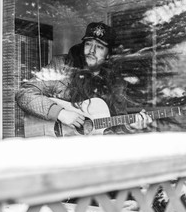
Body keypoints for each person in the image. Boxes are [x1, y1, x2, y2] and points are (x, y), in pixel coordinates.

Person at [16, 22, 152, 135]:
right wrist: (61, 114)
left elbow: (113, 128)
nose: (91, 51)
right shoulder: (61, 67)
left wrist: (130, 127)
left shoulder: (117, 83)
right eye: (88, 44)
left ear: (108, 55)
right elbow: (24, 94)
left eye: (99, 47)